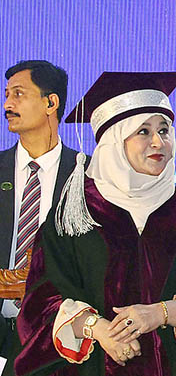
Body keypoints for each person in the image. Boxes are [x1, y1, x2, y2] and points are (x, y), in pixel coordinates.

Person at [14, 72, 176, 375]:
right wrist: (99, 330)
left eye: (165, 130)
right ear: (114, 141)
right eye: (144, 132)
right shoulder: (75, 214)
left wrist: (159, 314)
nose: (158, 142)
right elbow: (40, 303)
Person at [0, 60, 80, 376]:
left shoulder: (86, 174)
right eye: (6, 95)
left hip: (61, 339)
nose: (7, 104)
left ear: (51, 102)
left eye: (18, 94)